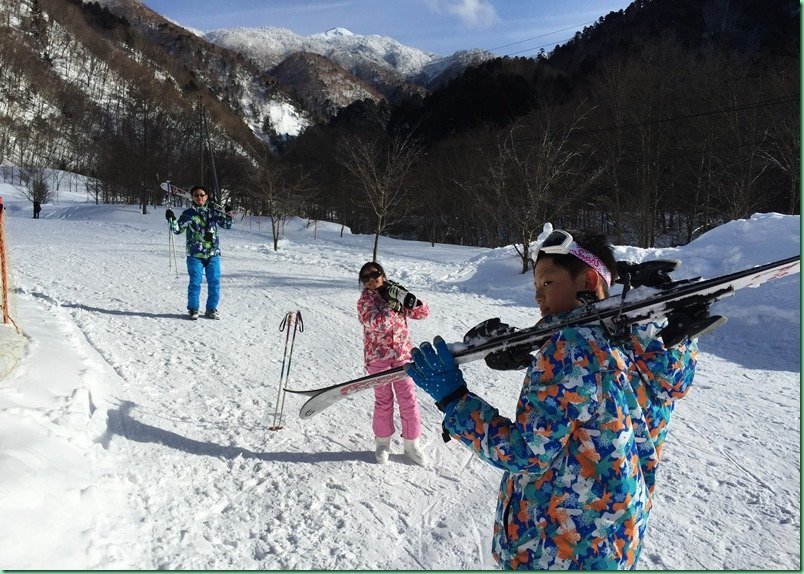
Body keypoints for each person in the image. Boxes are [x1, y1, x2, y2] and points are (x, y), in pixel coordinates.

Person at [405, 229, 697, 569]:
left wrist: (454, 399)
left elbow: (527, 452)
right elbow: (601, 406)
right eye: (535, 288)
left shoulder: (570, 348)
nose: (538, 297)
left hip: (553, 549)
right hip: (615, 545)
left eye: (547, 283)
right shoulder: (652, 344)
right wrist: (532, 360)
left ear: (589, 279)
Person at [357, 261, 430, 466]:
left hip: (402, 355)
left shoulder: (394, 292)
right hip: (377, 357)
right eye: (366, 278)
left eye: (375, 274)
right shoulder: (364, 301)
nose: (372, 280)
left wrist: (409, 300)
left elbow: (423, 314)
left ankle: (411, 444)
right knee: (383, 399)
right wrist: (392, 306)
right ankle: (382, 443)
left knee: (408, 398)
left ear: (383, 274)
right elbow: (374, 322)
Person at [166, 185, 233, 320]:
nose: (199, 197)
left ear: (206, 196)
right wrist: (171, 219)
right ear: (192, 197)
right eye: (196, 195)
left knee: (214, 282)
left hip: (212, 254)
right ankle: (193, 309)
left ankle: (211, 309)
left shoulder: (213, 212)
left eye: (202, 195)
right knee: (195, 283)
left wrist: (228, 213)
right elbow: (177, 229)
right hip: (195, 255)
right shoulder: (188, 214)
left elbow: (227, 225)